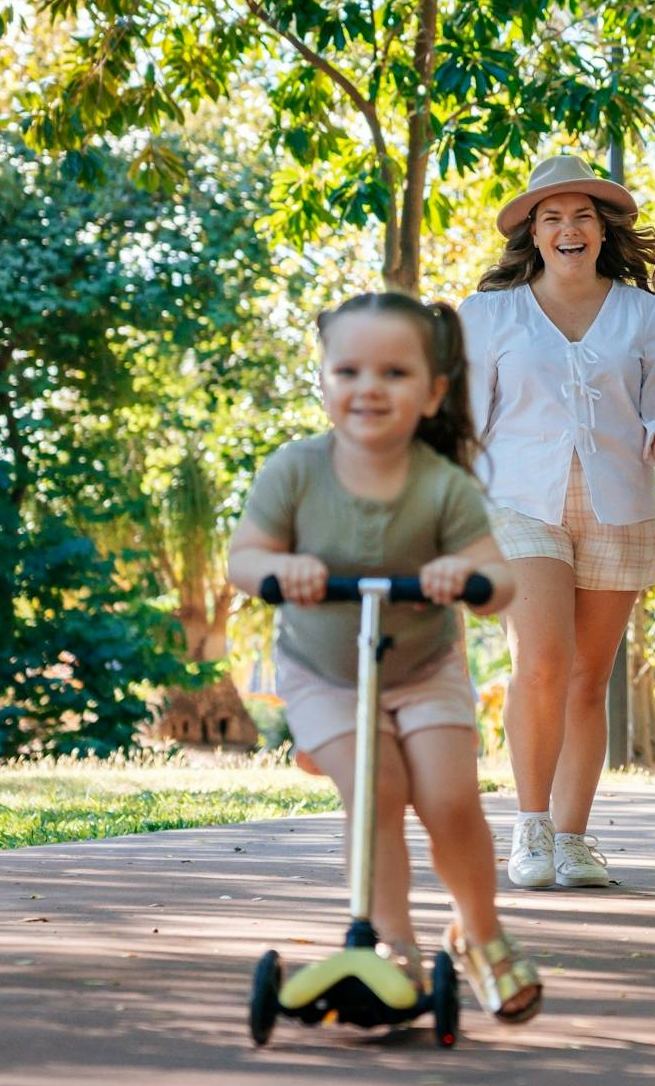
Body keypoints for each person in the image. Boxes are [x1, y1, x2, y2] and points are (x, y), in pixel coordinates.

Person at [225, 292, 543, 1025]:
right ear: (324, 382)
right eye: (349, 371)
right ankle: (394, 948)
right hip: (325, 673)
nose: (369, 387)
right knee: (376, 787)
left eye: (394, 373)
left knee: (449, 798)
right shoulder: (295, 470)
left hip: (424, 669)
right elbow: (244, 558)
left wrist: (463, 575)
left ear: (433, 392)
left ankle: (480, 932)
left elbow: (499, 581)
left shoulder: (443, 485)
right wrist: (282, 567)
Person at [459, 155, 655, 891]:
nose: (568, 229)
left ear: (603, 229)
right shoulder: (488, 314)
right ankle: (531, 827)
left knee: (589, 678)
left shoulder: (648, 315)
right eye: (551, 217)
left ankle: (574, 838)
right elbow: (464, 424)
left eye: (582, 215)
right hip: (518, 502)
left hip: (620, 504)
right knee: (543, 660)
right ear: (532, 233)